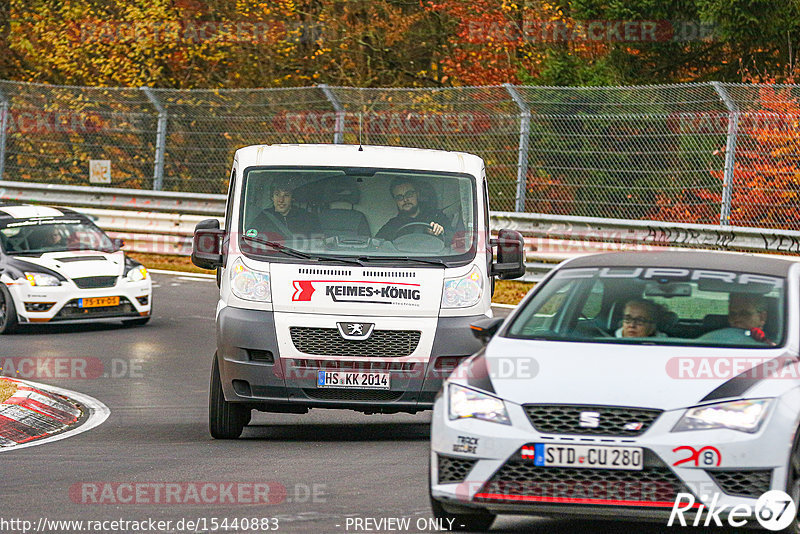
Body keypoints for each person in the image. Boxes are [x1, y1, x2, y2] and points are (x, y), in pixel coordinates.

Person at [376, 179, 450, 241]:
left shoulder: (437, 216)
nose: (405, 199)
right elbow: (376, 245)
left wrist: (441, 232)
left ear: (417, 194)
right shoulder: (392, 225)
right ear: (395, 201)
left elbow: (455, 242)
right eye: (399, 197)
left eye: (409, 194)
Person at [248, 178, 320, 240]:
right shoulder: (262, 217)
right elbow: (250, 241)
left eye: (286, 195)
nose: (281, 200)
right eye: (277, 194)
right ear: (272, 197)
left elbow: (318, 244)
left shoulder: (308, 218)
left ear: (292, 198)